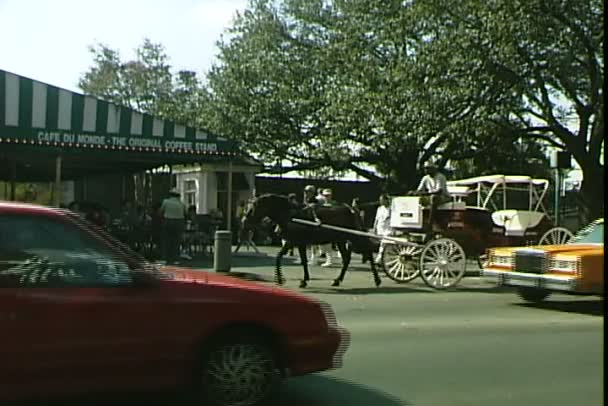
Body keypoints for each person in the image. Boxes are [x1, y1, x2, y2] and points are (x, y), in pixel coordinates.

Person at [410, 161, 451, 231]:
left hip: (444, 197)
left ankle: (430, 223)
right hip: (431, 196)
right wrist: (413, 193)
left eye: (428, 168)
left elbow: (439, 191)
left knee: (434, 198)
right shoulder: (425, 178)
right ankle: (416, 223)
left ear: (433, 169)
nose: (426, 170)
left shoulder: (440, 177)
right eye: (425, 168)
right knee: (418, 200)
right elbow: (419, 190)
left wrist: (425, 194)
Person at [159, 188, 187, 264]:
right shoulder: (182, 204)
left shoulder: (166, 202)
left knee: (166, 240)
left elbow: (161, 211)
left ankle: (164, 258)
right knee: (176, 241)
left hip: (168, 220)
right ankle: (176, 259)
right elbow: (185, 213)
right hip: (179, 222)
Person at [373, 194, 391, 265]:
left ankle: (379, 259)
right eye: (380, 200)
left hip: (388, 229)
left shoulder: (391, 209)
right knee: (382, 245)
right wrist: (374, 228)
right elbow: (376, 219)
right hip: (380, 229)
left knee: (383, 244)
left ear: (386, 200)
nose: (381, 202)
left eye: (382, 200)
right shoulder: (379, 209)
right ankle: (384, 260)